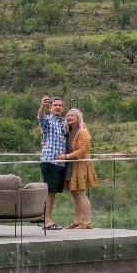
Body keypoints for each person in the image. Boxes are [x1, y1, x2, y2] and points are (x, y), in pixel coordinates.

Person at [36, 95, 68, 229]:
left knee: (53, 192)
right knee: (49, 192)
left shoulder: (63, 122)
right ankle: (47, 221)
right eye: (55, 105)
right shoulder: (48, 120)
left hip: (60, 163)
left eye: (60, 105)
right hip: (49, 161)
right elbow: (40, 118)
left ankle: (46, 219)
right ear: (51, 107)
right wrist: (42, 106)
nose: (58, 107)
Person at [63, 108, 97, 229]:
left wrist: (66, 156)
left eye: (72, 116)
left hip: (80, 165)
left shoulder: (82, 132)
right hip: (72, 165)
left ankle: (87, 221)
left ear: (78, 118)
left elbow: (82, 151)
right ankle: (77, 220)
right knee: (74, 192)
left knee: (80, 193)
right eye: (68, 115)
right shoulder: (70, 131)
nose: (69, 117)